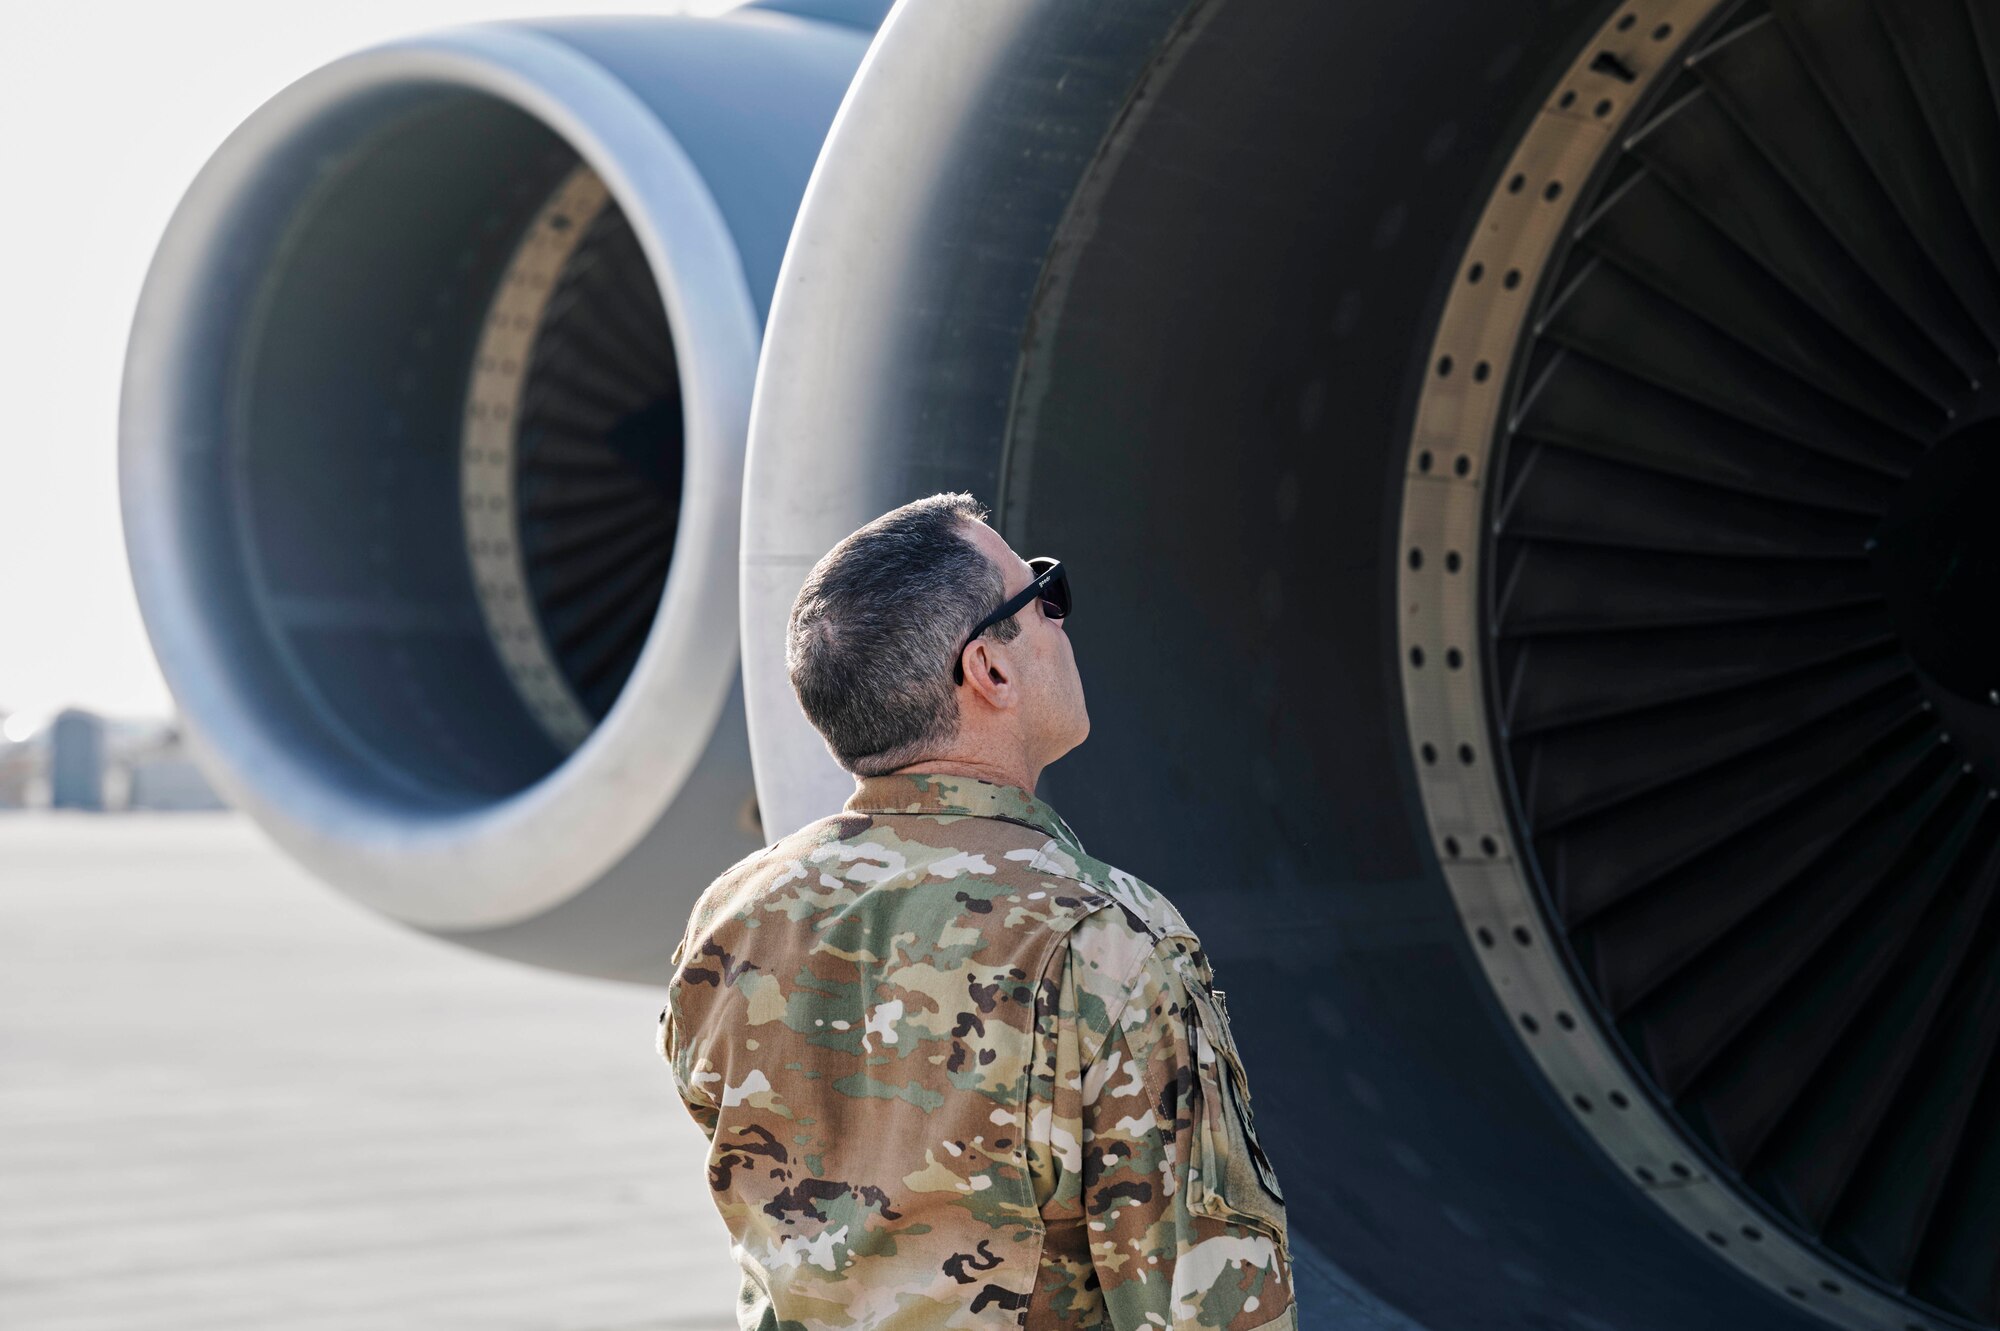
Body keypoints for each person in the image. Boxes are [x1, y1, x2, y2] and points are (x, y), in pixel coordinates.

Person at [658, 491, 1294, 1329]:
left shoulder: (733, 919)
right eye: (1042, 597)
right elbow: (1206, 1298)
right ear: (989, 671)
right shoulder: (1102, 941)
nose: (1063, 618)